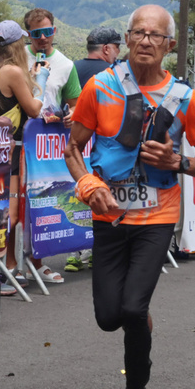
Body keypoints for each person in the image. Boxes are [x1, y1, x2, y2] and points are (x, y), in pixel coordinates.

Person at [64, 5, 195, 389]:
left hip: (158, 216)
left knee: (133, 309)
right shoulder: (100, 88)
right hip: (110, 216)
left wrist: (179, 161)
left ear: (170, 46)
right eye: (139, 33)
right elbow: (73, 148)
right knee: (107, 316)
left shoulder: (185, 97)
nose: (147, 41)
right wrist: (88, 187)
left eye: (156, 35)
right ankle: (138, 317)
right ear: (127, 39)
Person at [0, 20, 47, 296]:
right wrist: (40, 82)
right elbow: (33, 109)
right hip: (14, 146)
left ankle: (3, 265)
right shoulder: (12, 71)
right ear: (16, 45)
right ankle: (5, 267)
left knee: (3, 209)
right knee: (11, 212)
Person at [23, 8, 77, 283]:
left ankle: (37, 262)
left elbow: (75, 103)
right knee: (12, 204)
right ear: (28, 34)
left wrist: (71, 116)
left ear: (55, 30)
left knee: (41, 201)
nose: (43, 38)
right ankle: (5, 264)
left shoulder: (66, 65)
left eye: (48, 32)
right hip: (17, 137)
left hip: (46, 145)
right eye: (36, 33)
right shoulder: (18, 57)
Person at [65, 27, 123, 273]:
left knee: (73, 198)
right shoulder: (112, 75)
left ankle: (74, 254)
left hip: (67, 146)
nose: (118, 54)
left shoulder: (71, 68)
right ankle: (98, 253)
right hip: (102, 149)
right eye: (118, 48)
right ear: (107, 48)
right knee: (102, 198)